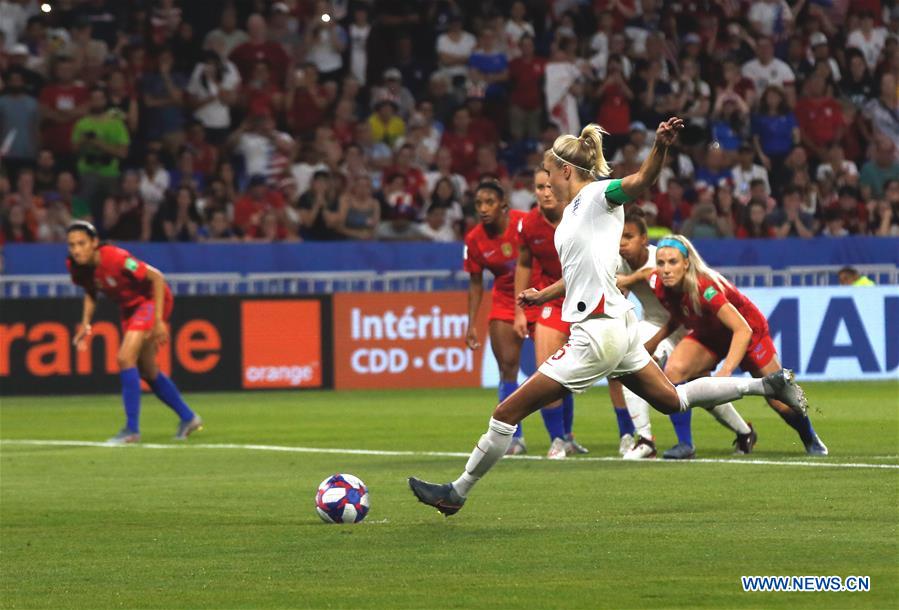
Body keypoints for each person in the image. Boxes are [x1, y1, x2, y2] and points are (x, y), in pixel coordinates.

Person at [409, 118, 809, 516]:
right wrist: (543, 294)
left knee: (505, 413)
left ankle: (456, 492)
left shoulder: (597, 196)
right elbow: (580, 273)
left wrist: (660, 147)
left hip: (597, 333)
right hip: (618, 327)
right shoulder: (574, 215)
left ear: (566, 171)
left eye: (548, 173)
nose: (545, 182)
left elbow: (640, 181)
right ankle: (768, 385)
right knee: (673, 400)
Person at [648, 234, 827, 457]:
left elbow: (742, 329)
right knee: (674, 371)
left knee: (778, 398)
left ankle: (810, 438)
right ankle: (685, 445)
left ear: (686, 263)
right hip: (710, 334)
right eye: (661, 263)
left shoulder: (705, 287)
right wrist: (652, 342)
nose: (665, 269)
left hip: (749, 333)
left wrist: (725, 372)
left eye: (672, 262)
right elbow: (678, 314)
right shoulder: (659, 283)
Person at [613, 211, 756, 461]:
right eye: (619, 237)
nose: (622, 243)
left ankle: (649, 441)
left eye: (629, 237)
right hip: (656, 324)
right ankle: (743, 432)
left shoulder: (663, 257)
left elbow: (660, 282)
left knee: (641, 369)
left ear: (644, 239)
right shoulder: (618, 262)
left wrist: (628, 281)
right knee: (695, 387)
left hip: (682, 326)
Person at [66, 220, 203, 443]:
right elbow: (90, 291)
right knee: (148, 371)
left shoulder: (116, 258)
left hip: (151, 301)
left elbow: (157, 277)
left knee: (124, 358)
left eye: (81, 243)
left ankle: (131, 429)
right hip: (130, 309)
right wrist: (85, 323)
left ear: (94, 242)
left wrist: (158, 321)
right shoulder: (76, 266)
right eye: (72, 245)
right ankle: (189, 417)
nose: (76, 250)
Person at [514, 168, 586, 459]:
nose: (545, 192)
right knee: (549, 370)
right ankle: (557, 439)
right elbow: (523, 264)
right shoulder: (529, 224)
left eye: (549, 186)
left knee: (604, 373)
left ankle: (629, 436)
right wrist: (519, 312)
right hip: (551, 300)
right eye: (539, 187)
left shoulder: (580, 214)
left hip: (585, 296)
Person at [463, 181, 538, 455]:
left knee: (553, 364)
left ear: (503, 204)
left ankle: (563, 436)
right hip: (506, 301)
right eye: (478, 204)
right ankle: (514, 438)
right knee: (508, 368)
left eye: (489, 203)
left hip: (539, 295)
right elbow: (475, 283)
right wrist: (471, 324)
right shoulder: (474, 239)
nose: (483, 209)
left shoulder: (525, 223)